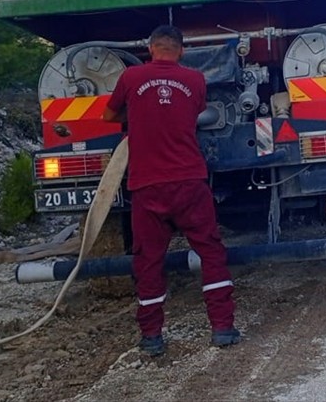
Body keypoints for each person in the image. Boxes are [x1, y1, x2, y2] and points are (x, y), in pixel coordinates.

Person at [103, 24, 240, 356]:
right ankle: (222, 328)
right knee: (210, 251)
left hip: (147, 186)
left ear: (150, 49)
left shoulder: (131, 78)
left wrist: (137, 111)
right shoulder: (195, 80)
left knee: (148, 260)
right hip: (189, 182)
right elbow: (194, 112)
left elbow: (108, 115)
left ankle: (152, 337)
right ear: (182, 51)